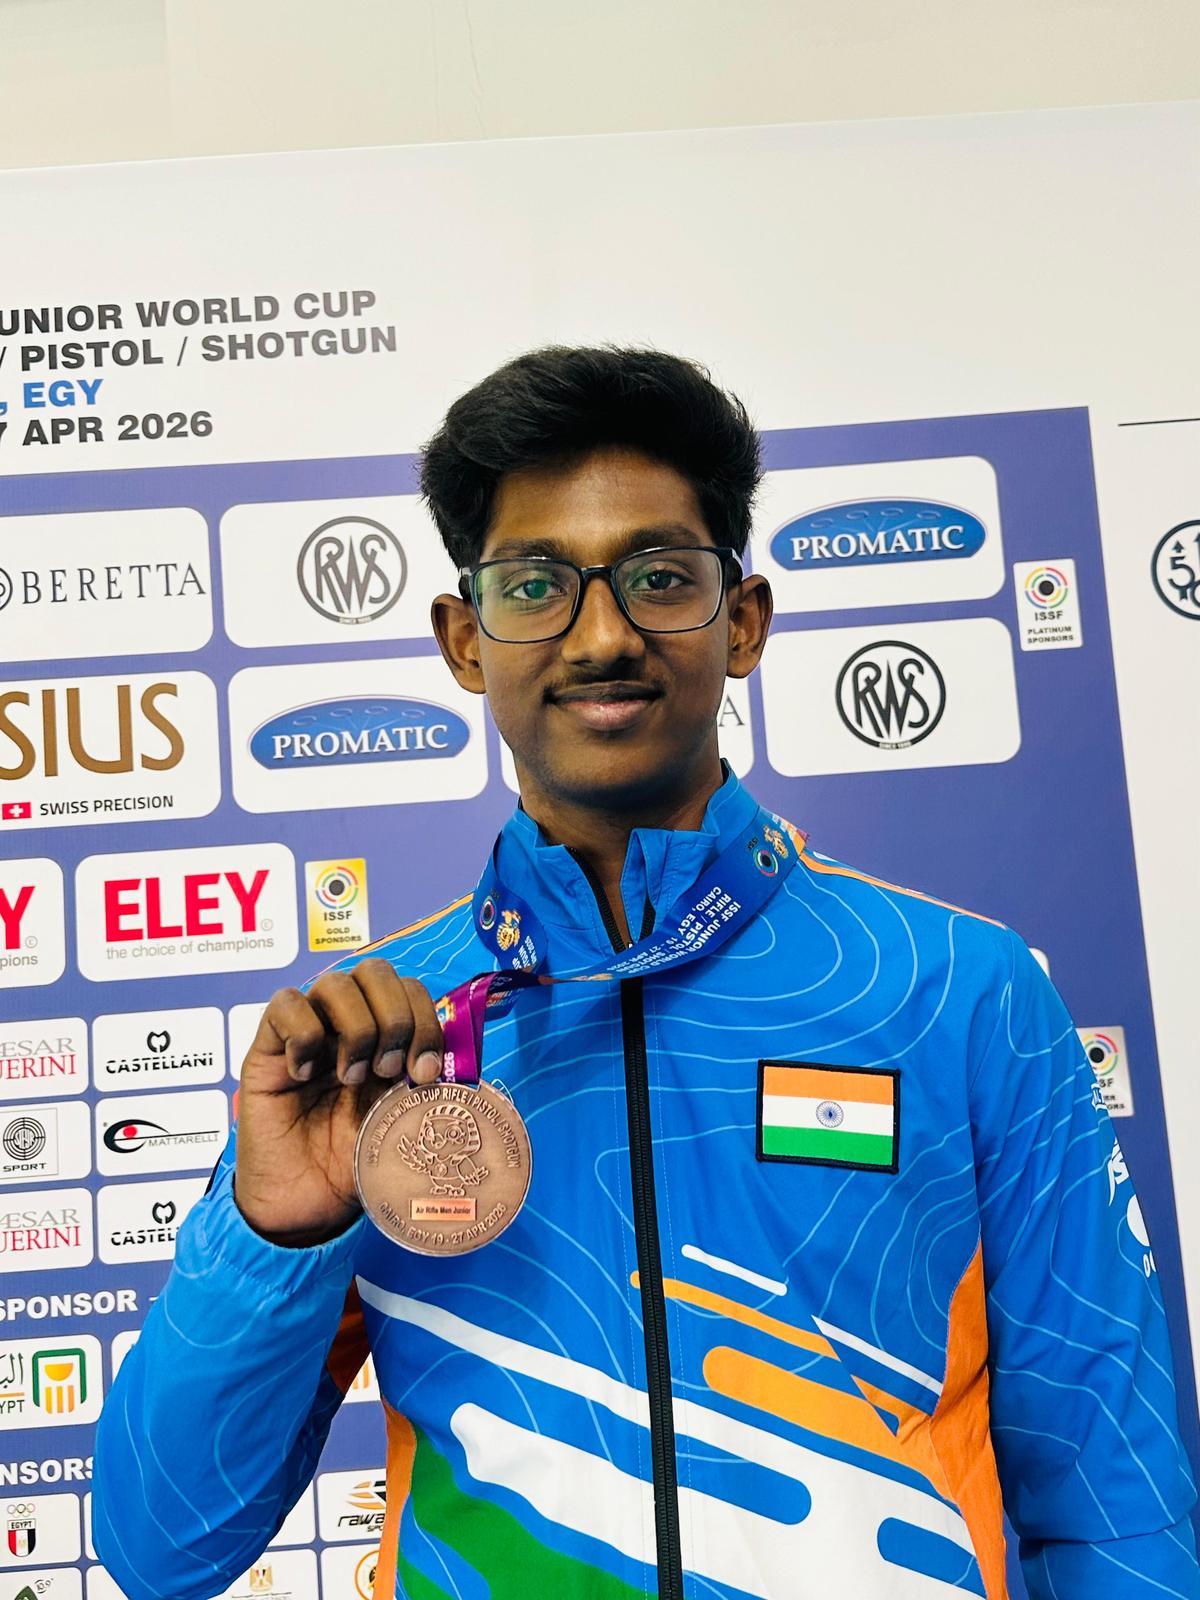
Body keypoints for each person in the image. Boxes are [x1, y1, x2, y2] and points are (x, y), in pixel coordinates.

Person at [93, 346, 1199, 1600]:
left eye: (661, 577)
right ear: (466, 640)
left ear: (744, 622)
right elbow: (159, 1546)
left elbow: (1118, 1503)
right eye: (535, 585)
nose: (604, 634)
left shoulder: (961, 990)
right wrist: (274, 1225)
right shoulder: (370, 1046)